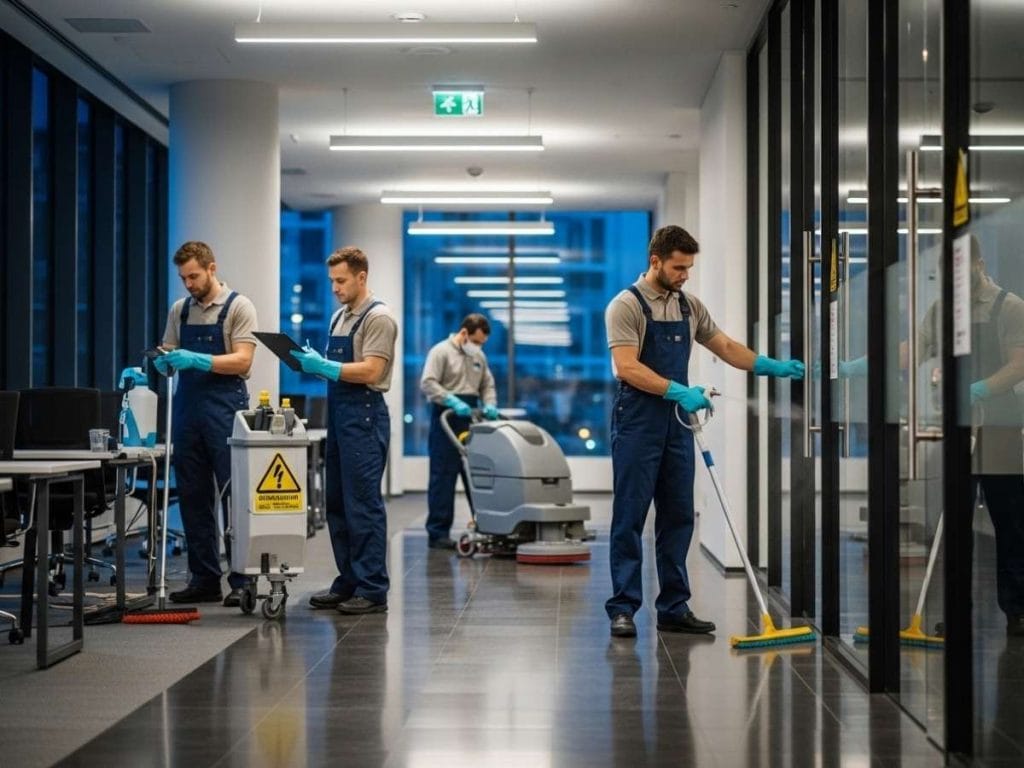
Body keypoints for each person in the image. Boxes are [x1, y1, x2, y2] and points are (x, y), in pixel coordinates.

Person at [604, 225, 804, 638]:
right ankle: (623, 608)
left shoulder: (688, 306)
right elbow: (627, 367)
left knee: (678, 515)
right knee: (630, 515)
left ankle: (674, 607)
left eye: (689, 268)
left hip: (676, 422)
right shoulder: (625, 306)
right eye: (678, 267)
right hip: (638, 420)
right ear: (655, 260)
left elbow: (726, 347)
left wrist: (771, 367)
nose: (685, 275)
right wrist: (678, 389)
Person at [919, 236, 1024, 637]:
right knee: (955, 521)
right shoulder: (943, 311)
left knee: (1010, 518)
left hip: (1000, 426)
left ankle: (1017, 609)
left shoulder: (1009, 307)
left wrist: (981, 388)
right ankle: (957, 611)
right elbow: (916, 348)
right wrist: (861, 363)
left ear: (979, 262)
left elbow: (1019, 364)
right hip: (960, 426)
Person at [291, 246, 398, 615]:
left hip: (364, 416)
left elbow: (371, 371)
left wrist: (326, 366)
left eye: (341, 280)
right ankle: (349, 581)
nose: (335, 288)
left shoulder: (379, 317)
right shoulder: (340, 317)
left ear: (361, 277)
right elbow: (336, 366)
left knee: (363, 505)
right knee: (336, 503)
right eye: (332, 281)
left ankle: (372, 589)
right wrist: (314, 363)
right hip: (339, 416)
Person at [153, 241, 257, 606]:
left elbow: (243, 362)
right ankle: (205, 578)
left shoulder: (237, 307)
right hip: (187, 411)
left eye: (194, 276)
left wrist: (195, 359)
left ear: (211, 268)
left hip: (226, 410)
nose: (189, 284)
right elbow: (168, 351)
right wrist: (162, 361)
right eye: (183, 278)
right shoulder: (179, 311)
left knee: (234, 496)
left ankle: (243, 579)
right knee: (194, 497)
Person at [419, 314, 499, 550]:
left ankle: (486, 525)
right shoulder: (440, 352)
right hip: (446, 416)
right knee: (443, 476)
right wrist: (452, 401)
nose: (479, 347)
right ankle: (438, 532)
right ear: (464, 334)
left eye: (482, 343)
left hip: (471, 417)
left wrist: (490, 404)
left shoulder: (479, 357)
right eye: (476, 341)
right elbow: (428, 382)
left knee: (477, 473)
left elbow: (487, 385)